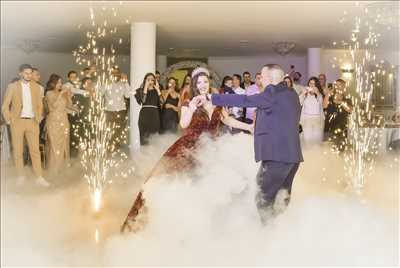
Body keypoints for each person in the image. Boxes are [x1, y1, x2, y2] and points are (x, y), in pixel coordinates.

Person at [121, 68, 253, 232]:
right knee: (181, 185)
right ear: (194, 84)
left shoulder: (216, 100)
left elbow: (228, 120)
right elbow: (183, 124)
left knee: (212, 188)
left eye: (205, 81)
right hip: (189, 148)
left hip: (211, 149)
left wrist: (248, 126)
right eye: (199, 82)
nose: (203, 85)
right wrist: (190, 107)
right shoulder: (188, 101)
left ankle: (208, 226)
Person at [208, 64, 303, 223]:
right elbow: (280, 118)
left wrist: (213, 98)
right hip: (292, 158)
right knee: (282, 196)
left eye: (262, 77)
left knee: (263, 197)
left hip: (276, 156)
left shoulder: (271, 91)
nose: (259, 80)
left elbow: (245, 100)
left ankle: (267, 233)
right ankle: (282, 230)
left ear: (271, 79)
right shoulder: (291, 93)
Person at [1, 64, 49, 186]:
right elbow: (5, 106)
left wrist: (39, 117)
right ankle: (20, 176)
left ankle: (39, 177)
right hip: (17, 122)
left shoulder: (37, 87)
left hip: (33, 122)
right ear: (20, 73)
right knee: (18, 151)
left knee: (35, 151)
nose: (29, 75)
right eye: (26, 73)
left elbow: (40, 105)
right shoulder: (13, 87)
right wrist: (9, 120)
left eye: (30, 73)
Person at [44, 74, 76, 172]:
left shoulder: (63, 93)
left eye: (61, 82)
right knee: (54, 146)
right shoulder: (49, 93)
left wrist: (69, 96)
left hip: (64, 121)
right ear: (52, 83)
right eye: (58, 82)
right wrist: (61, 94)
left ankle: (64, 168)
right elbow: (53, 106)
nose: (60, 84)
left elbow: (69, 106)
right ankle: (54, 169)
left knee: (64, 145)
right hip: (53, 122)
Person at [100, 67, 132, 151]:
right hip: (109, 110)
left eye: (116, 73)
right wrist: (106, 83)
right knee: (109, 129)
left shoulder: (123, 83)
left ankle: (115, 145)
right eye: (113, 72)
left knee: (119, 129)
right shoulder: (106, 83)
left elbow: (128, 95)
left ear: (119, 74)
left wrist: (126, 82)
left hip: (121, 110)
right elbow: (100, 94)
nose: (115, 74)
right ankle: (109, 145)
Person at [323, 79, 352, 151]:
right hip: (329, 127)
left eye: (340, 85)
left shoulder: (347, 98)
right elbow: (324, 106)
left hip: (342, 129)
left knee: (340, 151)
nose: (337, 87)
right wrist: (327, 94)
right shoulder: (330, 96)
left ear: (344, 87)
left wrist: (341, 102)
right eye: (336, 85)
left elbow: (350, 110)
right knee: (327, 151)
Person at [134, 73, 163, 145]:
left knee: (154, 138)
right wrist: (145, 87)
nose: (150, 81)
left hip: (154, 115)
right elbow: (143, 101)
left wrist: (158, 90)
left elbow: (162, 102)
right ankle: (143, 155)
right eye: (148, 80)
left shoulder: (157, 91)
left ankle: (153, 155)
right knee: (144, 138)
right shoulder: (140, 90)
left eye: (152, 80)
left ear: (154, 81)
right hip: (144, 115)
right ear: (145, 80)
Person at [299, 77, 325, 144]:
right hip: (306, 119)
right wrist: (303, 93)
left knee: (316, 140)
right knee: (307, 139)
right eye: (310, 83)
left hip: (317, 120)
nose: (312, 85)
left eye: (314, 84)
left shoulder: (319, 95)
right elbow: (299, 102)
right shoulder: (305, 94)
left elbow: (321, 103)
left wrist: (317, 93)